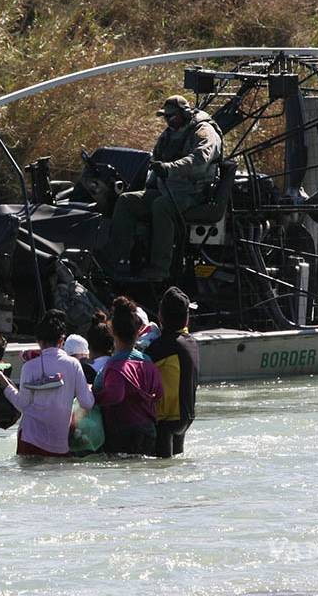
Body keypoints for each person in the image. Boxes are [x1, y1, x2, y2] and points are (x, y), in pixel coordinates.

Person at [106, 94, 223, 281]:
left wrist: (169, 168)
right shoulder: (170, 133)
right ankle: (116, 261)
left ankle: (159, 269)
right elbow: (156, 159)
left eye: (172, 116)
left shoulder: (203, 131)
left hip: (194, 192)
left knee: (161, 206)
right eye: (166, 117)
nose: (168, 121)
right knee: (126, 201)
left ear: (184, 114)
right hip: (169, 189)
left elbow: (199, 160)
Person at [0, 310, 94, 457]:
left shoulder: (29, 366)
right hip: (59, 445)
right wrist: (90, 388)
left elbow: (22, 405)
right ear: (61, 341)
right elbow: (87, 403)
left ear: (39, 341)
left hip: (30, 441)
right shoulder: (74, 365)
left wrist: (4, 384)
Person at [94, 297, 162, 455]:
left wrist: (93, 396)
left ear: (111, 330)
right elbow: (159, 393)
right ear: (138, 331)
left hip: (123, 433)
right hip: (148, 431)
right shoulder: (148, 361)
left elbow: (115, 396)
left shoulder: (113, 366)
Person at [144, 286, 200, 458]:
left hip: (167, 420)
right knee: (176, 463)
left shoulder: (160, 347)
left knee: (162, 468)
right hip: (187, 416)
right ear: (187, 319)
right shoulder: (192, 343)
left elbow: (141, 366)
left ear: (160, 316)